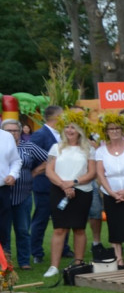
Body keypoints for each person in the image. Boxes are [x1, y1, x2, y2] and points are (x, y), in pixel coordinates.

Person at [43, 119, 96, 278]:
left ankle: (78, 263)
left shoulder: (88, 149)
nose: (70, 130)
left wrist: (73, 183)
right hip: (59, 190)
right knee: (59, 228)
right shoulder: (56, 147)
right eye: (67, 127)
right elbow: (49, 171)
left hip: (82, 191)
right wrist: (64, 186)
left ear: (80, 129)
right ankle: (54, 266)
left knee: (79, 228)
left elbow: (91, 173)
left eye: (73, 127)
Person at [95, 115, 124, 269]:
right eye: (111, 129)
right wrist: (112, 192)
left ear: (122, 130)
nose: (114, 131)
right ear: (106, 131)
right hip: (110, 193)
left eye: (117, 128)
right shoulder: (101, 151)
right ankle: (118, 258)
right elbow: (100, 173)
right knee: (114, 225)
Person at [28, 105, 71, 263]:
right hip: (44, 185)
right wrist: (41, 169)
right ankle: (37, 252)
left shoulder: (63, 135)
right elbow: (31, 157)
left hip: (62, 184)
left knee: (63, 217)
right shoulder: (40, 135)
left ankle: (64, 248)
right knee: (41, 218)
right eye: (63, 116)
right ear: (56, 118)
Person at [3, 119, 48, 269]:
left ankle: (23, 261)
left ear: (20, 131)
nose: (12, 133)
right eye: (9, 130)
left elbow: (49, 158)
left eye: (15, 130)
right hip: (3, 195)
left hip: (23, 195)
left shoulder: (27, 146)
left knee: (22, 230)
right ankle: (6, 263)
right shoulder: (2, 145)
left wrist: (34, 172)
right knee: (4, 230)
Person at [0, 120, 23, 260]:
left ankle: (3, 263)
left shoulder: (6, 137)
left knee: (2, 228)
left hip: (2, 190)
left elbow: (16, 160)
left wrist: (13, 174)